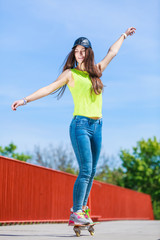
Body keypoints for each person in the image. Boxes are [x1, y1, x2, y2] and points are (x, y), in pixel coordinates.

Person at [11, 27, 136, 225]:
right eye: (77, 50)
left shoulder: (97, 72)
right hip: (80, 126)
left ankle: (83, 209)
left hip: (98, 126)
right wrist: (25, 100)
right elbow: (49, 88)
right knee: (85, 169)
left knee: (92, 171)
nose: (80, 53)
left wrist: (123, 35)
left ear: (89, 53)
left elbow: (112, 52)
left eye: (83, 50)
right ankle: (76, 211)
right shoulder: (70, 74)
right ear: (74, 53)